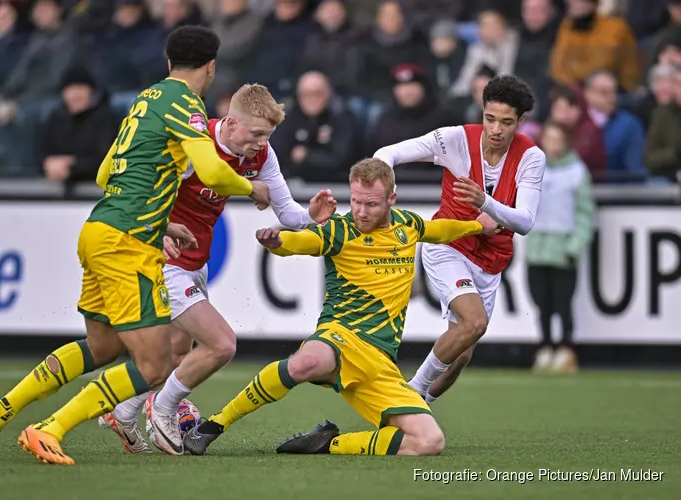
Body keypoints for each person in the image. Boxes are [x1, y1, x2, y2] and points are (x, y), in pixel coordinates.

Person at [0, 26, 270, 466]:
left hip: (99, 230)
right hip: (127, 244)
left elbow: (105, 174)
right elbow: (214, 172)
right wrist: (251, 188)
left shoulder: (144, 100)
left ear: (168, 64)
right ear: (211, 67)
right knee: (155, 365)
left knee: (104, 347)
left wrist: (160, 221)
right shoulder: (187, 105)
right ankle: (50, 428)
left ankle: (0, 410)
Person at [180, 159, 499, 457]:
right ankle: (214, 425)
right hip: (341, 336)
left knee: (429, 442)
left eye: (371, 204)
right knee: (308, 361)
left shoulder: (408, 226)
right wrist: (279, 243)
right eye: (356, 201)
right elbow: (302, 242)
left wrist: (477, 226)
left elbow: (440, 230)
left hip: (380, 361)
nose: (360, 211)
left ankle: (328, 444)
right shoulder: (339, 230)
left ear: (392, 199)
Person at [98, 83, 337, 455]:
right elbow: (137, 193)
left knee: (175, 356)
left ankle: (123, 412)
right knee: (222, 344)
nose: (261, 143)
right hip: (162, 260)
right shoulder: (193, 144)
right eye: (256, 134)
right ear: (229, 122)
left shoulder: (262, 155)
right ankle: (163, 410)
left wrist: (311, 216)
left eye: (267, 136)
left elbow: (287, 212)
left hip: (196, 262)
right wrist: (156, 230)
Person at [372, 74, 546, 404]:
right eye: (490, 118)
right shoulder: (454, 140)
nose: (496, 130)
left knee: (462, 353)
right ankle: (409, 395)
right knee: (475, 322)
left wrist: (486, 204)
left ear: (521, 121)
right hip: (447, 247)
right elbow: (387, 153)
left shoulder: (531, 157)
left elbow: (524, 221)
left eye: (506, 122)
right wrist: (381, 195)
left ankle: (419, 409)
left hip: (490, 261)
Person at [527, 121, 594, 373]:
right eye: (549, 138)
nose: (553, 144)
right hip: (536, 249)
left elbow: (585, 213)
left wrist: (575, 246)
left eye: (558, 139)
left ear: (566, 142)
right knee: (541, 302)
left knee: (563, 303)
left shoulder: (577, 171)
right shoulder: (533, 169)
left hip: (563, 249)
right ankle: (544, 346)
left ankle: (566, 347)